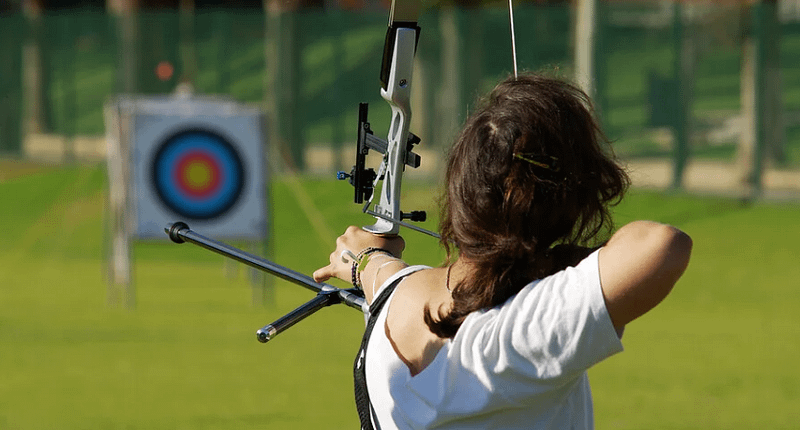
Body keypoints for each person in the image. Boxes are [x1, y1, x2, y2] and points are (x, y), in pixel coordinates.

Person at [313, 74, 692, 429]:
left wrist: (366, 260)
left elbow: (379, 271)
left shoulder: (394, 296)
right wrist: (558, 261)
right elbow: (662, 245)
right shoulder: (520, 335)